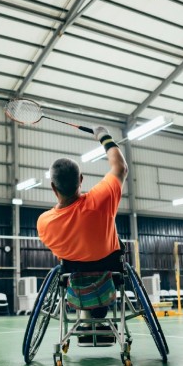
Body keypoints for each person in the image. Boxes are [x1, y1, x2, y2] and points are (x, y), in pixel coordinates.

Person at [37, 126, 128, 343]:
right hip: (110, 273)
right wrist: (103, 135)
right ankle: (96, 316)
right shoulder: (101, 199)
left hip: (76, 281)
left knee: (71, 262)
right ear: (81, 180)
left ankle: (86, 319)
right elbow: (120, 167)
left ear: (52, 187)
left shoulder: (44, 223)